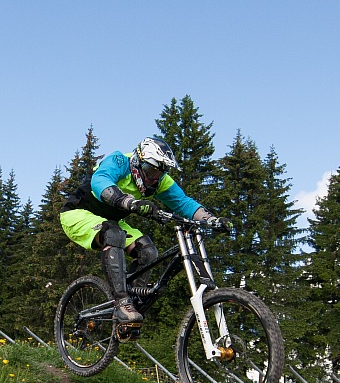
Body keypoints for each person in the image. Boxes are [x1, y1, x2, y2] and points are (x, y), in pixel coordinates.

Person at [60, 135, 225, 327]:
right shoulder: (120, 161)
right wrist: (127, 201)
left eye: (159, 173)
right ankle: (122, 302)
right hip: (77, 214)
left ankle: (133, 301)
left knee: (148, 251)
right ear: (138, 162)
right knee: (113, 234)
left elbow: (183, 203)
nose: (154, 178)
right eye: (150, 170)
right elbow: (100, 181)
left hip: (111, 221)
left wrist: (212, 220)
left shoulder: (160, 181)